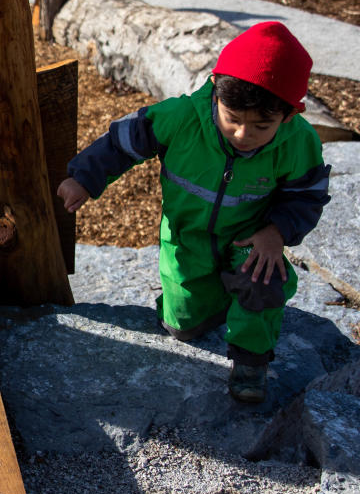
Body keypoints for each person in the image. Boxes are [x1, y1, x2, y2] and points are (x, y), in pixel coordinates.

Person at [57, 21, 330, 404]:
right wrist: (84, 178)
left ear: (287, 116)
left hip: (250, 240)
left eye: (260, 125)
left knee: (263, 282)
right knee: (182, 327)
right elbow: (123, 141)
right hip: (187, 239)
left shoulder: (299, 142)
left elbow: (307, 196)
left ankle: (252, 359)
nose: (241, 134)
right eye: (232, 118)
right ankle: (213, 298)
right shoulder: (182, 117)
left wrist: (277, 232)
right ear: (215, 91)